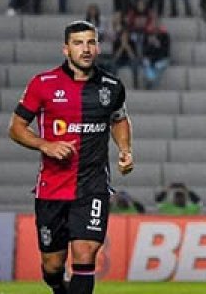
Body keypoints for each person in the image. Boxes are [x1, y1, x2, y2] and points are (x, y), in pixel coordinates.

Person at [8, 20, 133, 294]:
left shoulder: (111, 86)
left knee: (85, 253)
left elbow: (119, 120)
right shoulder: (43, 84)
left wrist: (125, 150)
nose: (85, 49)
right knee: (53, 266)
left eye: (90, 42)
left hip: (93, 186)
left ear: (98, 47)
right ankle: (57, 287)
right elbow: (15, 128)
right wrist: (45, 145)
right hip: (52, 188)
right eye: (78, 43)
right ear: (66, 49)